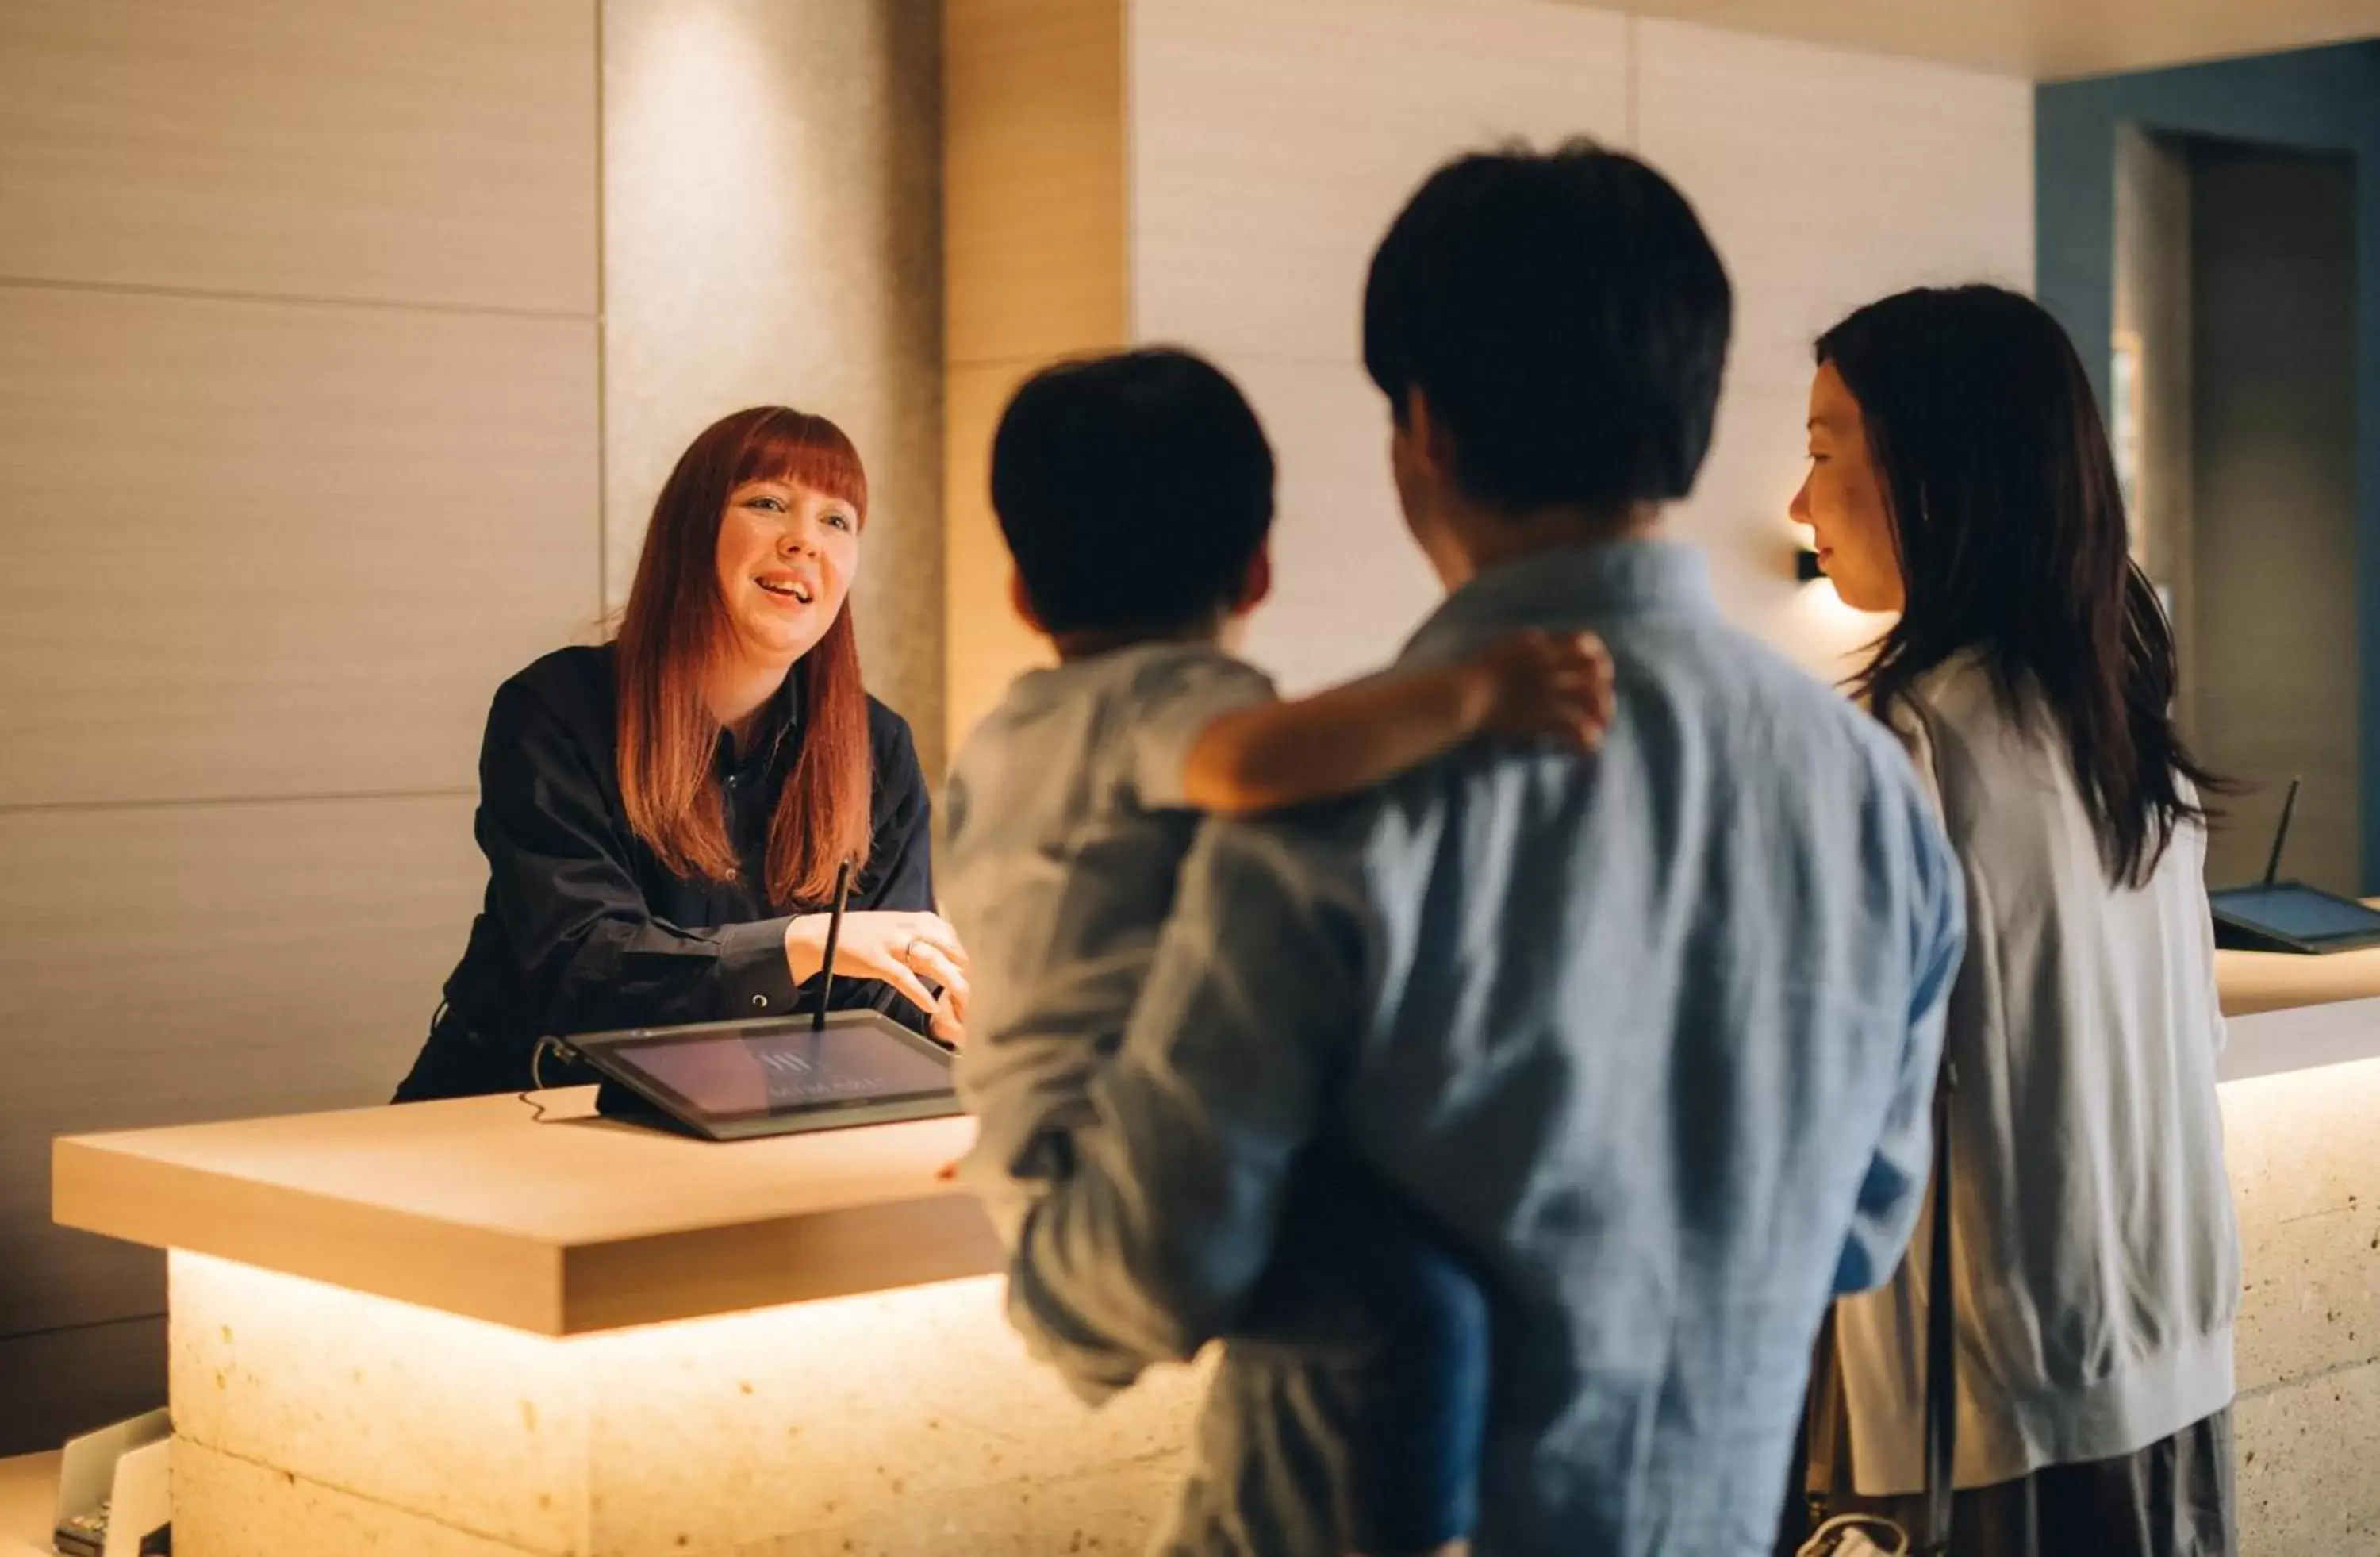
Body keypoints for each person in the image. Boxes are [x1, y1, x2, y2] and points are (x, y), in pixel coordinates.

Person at [992, 142, 1968, 1555]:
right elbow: (1860, 1234)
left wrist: (1036, 1189)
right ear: (1688, 422)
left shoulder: (1342, 798)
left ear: (1427, 432)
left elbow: (1148, 1271)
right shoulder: (1873, 794)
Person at [940, 345, 1614, 1557]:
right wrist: (1471, 696)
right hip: (1111, 1179)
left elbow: (1031, 959)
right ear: (1257, 567)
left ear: (1025, 596)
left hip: (1048, 1155)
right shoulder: (1163, 702)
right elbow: (1253, 763)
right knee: (1423, 1312)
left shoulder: (1007, 737)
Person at [1787, 286, 2240, 1557]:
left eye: (1824, 451)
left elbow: (1829, 1110)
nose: (1797, 501)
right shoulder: (2121, 725)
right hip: (2164, 1364)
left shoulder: (1909, 742)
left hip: (1987, 1403)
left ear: (1936, 477)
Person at [395, 406, 969, 1101]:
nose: (805, 542)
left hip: (753, 1126)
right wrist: (795, 945)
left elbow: (884, 1002)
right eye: (768, 503)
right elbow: (579, 963)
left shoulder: (880, 746)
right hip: (527, 1107)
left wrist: (953, 1017)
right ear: (692, 530)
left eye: (837, 520)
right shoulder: (555, 708)